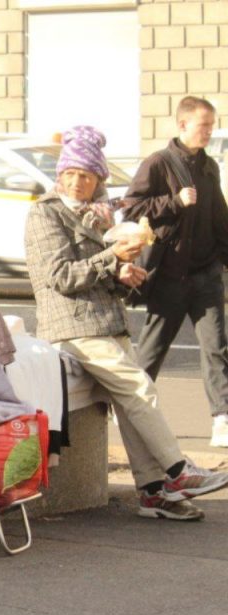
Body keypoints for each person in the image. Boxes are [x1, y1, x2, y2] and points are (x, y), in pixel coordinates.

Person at [25, 125, 228, 521]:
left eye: (87, 175)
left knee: (133, 398)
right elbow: (60, 277)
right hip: (72, 328)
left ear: (99, 178)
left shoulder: (96, 214)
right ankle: (178, 472)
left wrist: (124, 274)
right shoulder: (44, 213)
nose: (78, 182)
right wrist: (112, 258)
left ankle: (153, 493)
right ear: (60, 174)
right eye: (71, 174)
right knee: (139, 388)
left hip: (105, 323)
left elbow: (99, 272)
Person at [121, 96, 228, 447]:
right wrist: (174, 202)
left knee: (216, 348)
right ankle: (134, 416)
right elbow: (131, 209)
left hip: (206, 275)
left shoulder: (209, 166)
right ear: (182, 125)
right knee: (152, 351)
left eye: (211, 125)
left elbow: (219, 220)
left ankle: (222, 420)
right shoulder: (159, 163)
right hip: (168, 277)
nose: (209, 132)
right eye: (204, 125)